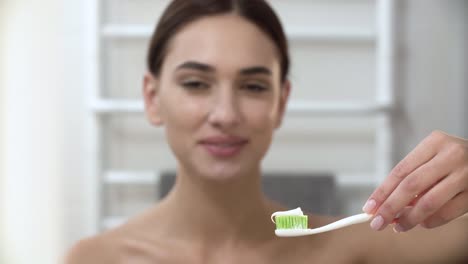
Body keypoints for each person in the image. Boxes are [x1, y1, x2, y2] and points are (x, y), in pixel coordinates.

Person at [65, 0, 468, 263]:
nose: (225, 114)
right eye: (195, 83)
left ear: (281, 102)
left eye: (254, 86)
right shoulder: (93, 258)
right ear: (153, 98)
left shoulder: (349, 250)